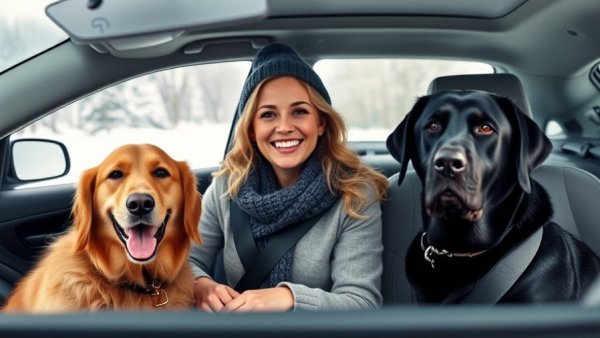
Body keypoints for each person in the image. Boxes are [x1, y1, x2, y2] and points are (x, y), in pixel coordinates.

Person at [190, 42, 388, 312]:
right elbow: (184, 260)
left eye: (299, 111)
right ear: (251, 129)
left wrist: (289, 298)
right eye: (268, 114)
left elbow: (362, 303)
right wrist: (200, 284)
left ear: (321, 123)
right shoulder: (227, 185)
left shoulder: (355, 194)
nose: (284, 127)